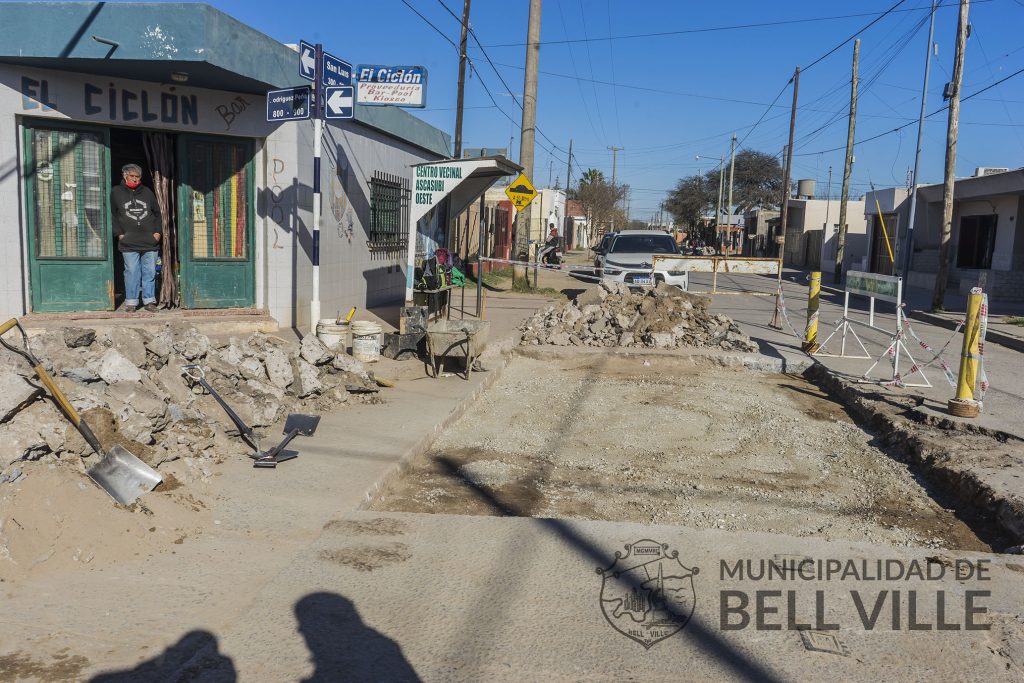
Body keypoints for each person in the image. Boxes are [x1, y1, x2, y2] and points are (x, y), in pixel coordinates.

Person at [110, 163, 161, 312]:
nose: (135, 179)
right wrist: (119, 234)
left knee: (150, 271)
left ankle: (149, 301)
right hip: (128, 241)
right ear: (124, 176)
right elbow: (112, 215)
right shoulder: (116, 192)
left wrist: (157, 233)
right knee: (132, 272)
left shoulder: (147, 192)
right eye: (132, 176)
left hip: (149, 241)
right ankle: (131, 302)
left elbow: (158, 214)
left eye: (137, 176)